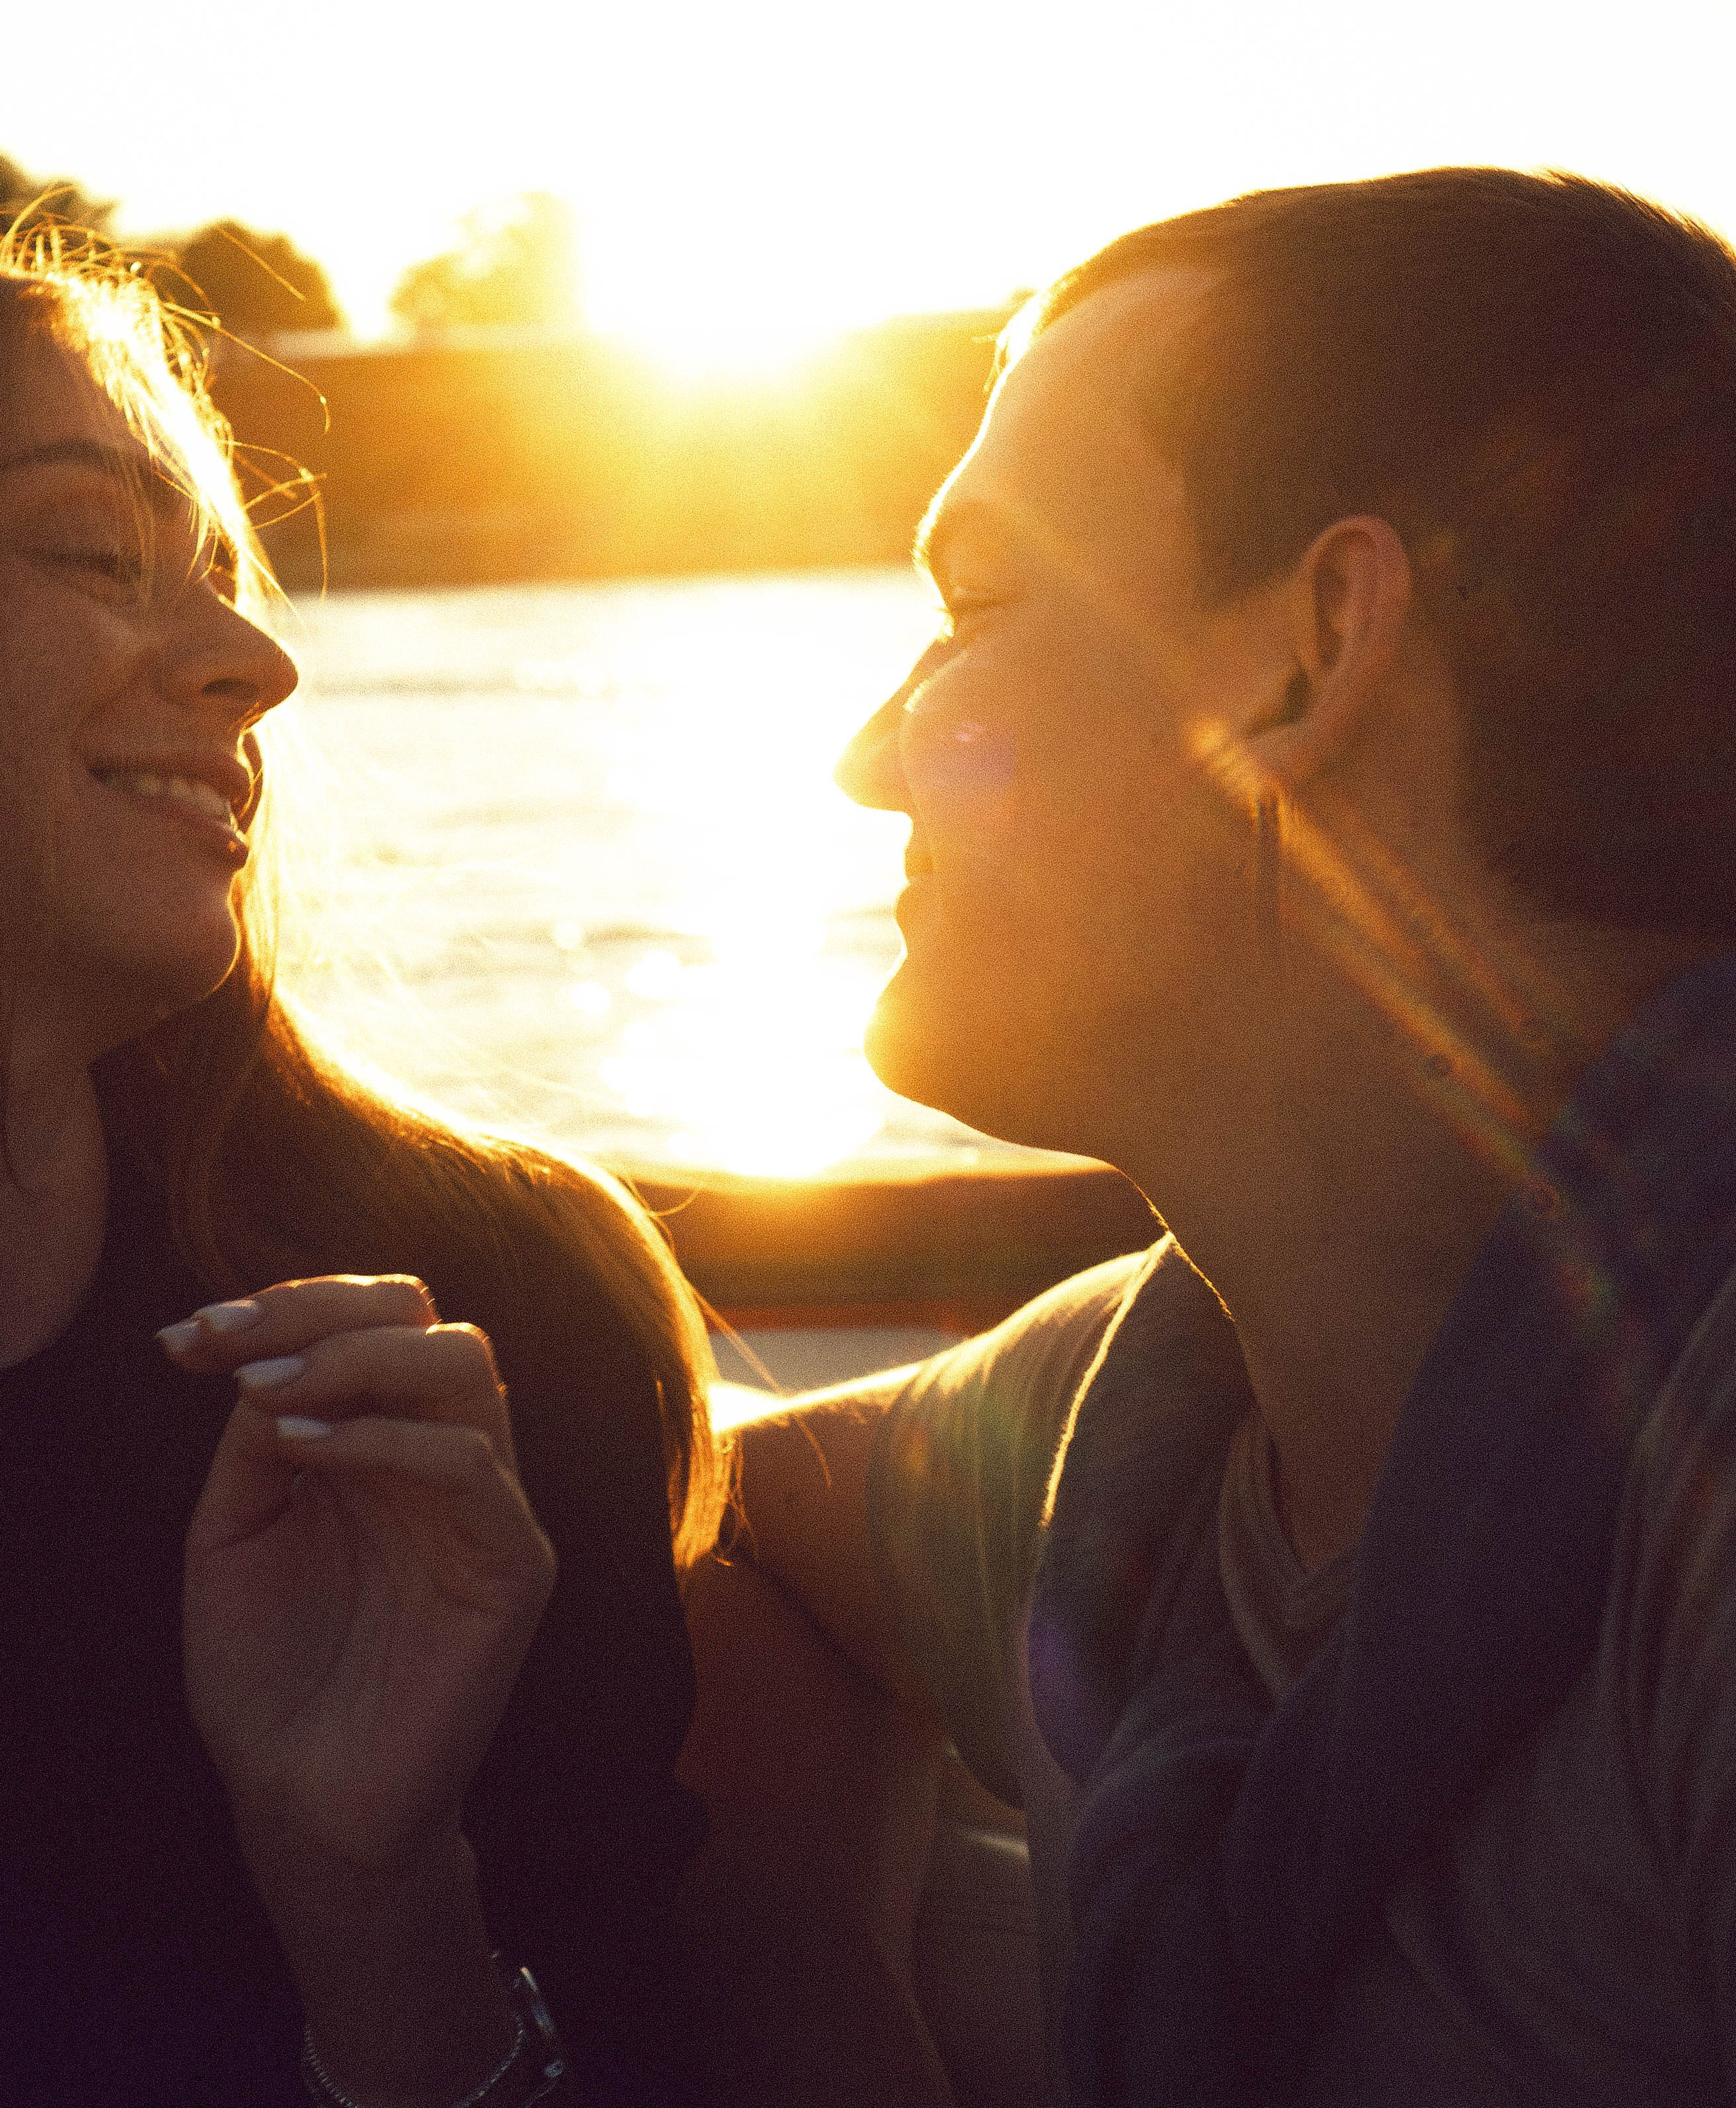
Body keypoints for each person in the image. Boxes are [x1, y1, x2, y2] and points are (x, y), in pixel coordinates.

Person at [688, 167, 1736, 2104]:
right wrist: (835, 2015)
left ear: (1306, 657)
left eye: (978, 605)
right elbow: (733, 1536)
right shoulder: (1136, 1429)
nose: (864, 754)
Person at [0, 241, 727, 2105]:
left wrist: (373, 1894)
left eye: (231, 577)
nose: (263, 661)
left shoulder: (469, 1332)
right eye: (92, 551)